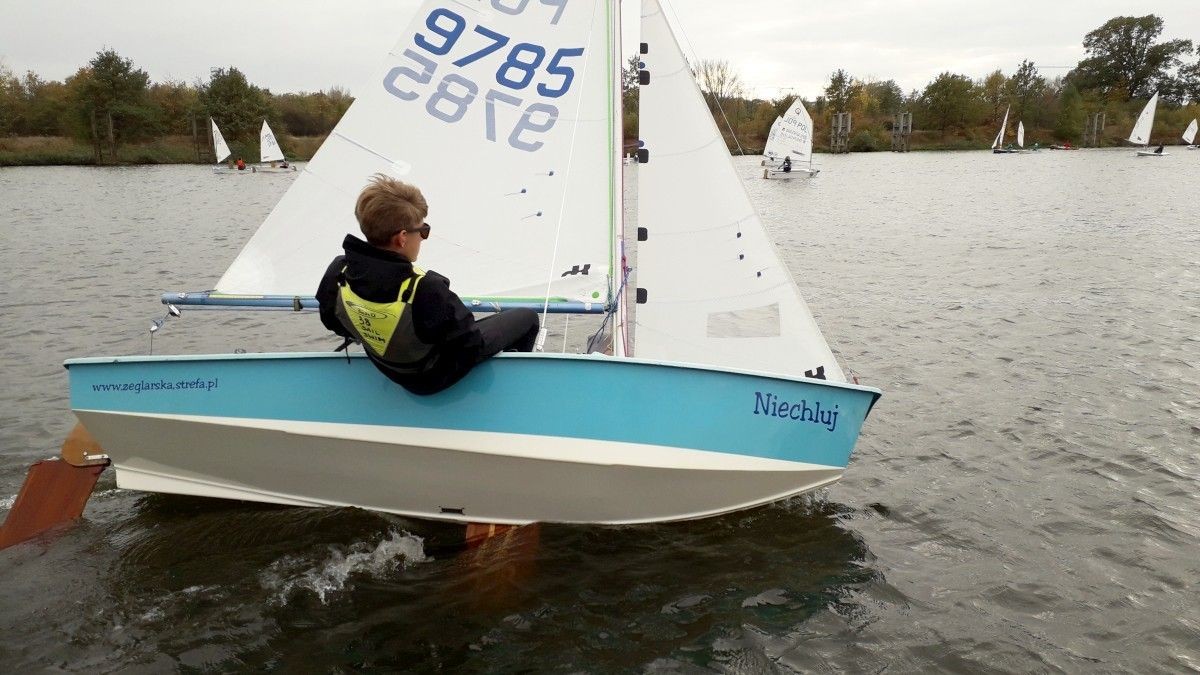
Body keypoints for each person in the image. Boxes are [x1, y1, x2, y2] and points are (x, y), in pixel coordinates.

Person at [316, 174, 540, 395]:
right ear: (402, 238)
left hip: (387, 368)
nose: (423, 237)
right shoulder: (425, 288)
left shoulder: (340, 270)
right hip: (430, 380)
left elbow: (332, 321)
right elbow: (470, 346)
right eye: (423, 231)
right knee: (527, 318)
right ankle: (510, 393)